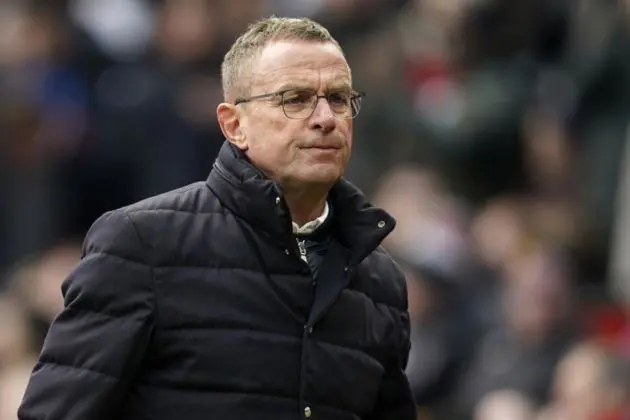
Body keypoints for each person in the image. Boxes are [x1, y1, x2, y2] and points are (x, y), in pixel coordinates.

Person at [18, 16, 416, 420]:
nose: (325, 118)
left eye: (339, 98)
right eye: (294, 99)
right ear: (233, 125)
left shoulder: (380, 280)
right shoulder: (142, 242)